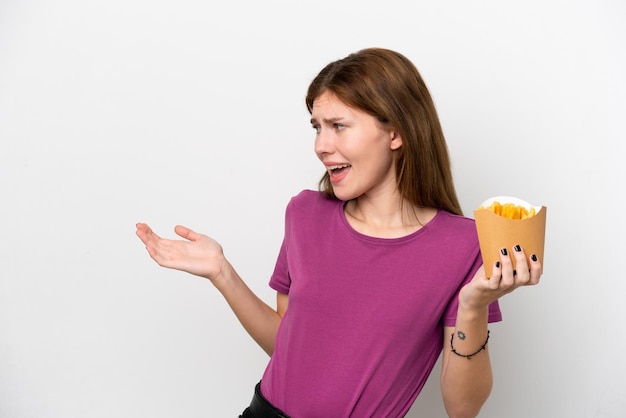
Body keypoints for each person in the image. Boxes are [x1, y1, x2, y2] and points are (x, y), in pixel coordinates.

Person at [135, 47, 542, 418]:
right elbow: (288, 347)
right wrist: (222, 273)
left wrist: (472, 307)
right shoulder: (305, 214)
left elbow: (463, 407)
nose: (321, 145)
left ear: (396, 132)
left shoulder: (463, 245)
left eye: (338, 125)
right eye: (316, 127)